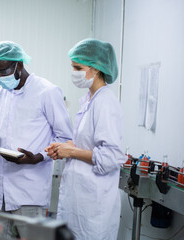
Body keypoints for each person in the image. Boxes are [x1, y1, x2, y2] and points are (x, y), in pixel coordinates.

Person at [0, 41, 73, 238]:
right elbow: (5, 139)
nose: (0, 77)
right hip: (0, 195)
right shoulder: (1, 94)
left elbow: (65, 139)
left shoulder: (47, 92)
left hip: (29, 194)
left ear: (19, 65)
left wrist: (38, 157)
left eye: (3, 71)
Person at [45, 38, 126, 240]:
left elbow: (110, 157)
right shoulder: (90, 100)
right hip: (79, 203)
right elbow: (89, 144)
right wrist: (66, 147)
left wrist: (71, 152)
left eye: (78, 67)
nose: (74, 72)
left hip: (93, 208)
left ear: (96, 69)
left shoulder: (105, 102)